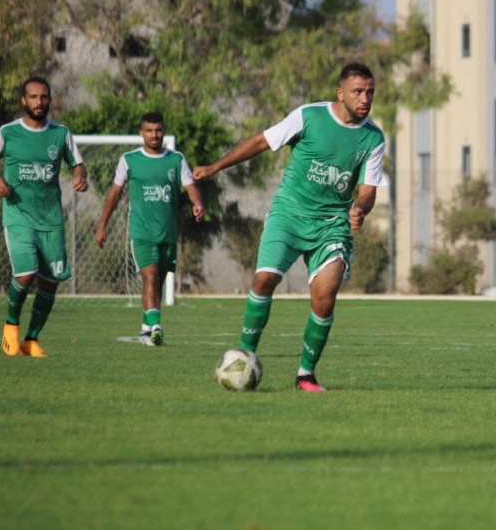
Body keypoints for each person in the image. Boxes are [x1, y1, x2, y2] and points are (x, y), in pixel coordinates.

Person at [193, 62, 386, 392]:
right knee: (265, 278)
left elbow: (368, 190)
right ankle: (243, 354)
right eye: (357, 91)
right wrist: (215, 167)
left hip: (331, 224)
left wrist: (360, 208)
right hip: (289, 213)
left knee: (324, 299)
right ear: (340, 94)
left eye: (370, 91)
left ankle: (305, 375)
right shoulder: (309, 116)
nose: (365, 98)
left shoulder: (373, 138)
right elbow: (260, 142)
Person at [0, 76, 88, 357]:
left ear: (49, 99)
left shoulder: (61, 134)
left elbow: (78, 164)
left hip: (50, 218)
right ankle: (11, 324)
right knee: (26, 273)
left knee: (50, 281)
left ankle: (31, 339)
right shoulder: (9, 132)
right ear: (23, 100)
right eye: (33, 97)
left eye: (44, 97)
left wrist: (80, 177)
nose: (39, 102)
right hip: (18, 214)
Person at [95, 113, 205, 346]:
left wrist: (198, 203)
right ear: (141, 133)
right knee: (150, 277)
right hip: (141, 231)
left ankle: (146, 329)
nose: (154, 135)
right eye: (149, 130)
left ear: (163, 131)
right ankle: (156, 327)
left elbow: (190, 186)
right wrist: (102, 225)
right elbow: (114, 193)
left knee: (158, 281)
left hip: (167, 232)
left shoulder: (176, 159)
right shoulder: (129, 159)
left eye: (158, 130)